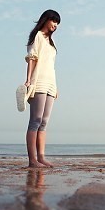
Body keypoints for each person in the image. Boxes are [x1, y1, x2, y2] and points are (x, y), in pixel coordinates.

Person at [18, 9, 61, 168]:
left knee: (44, 122)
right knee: (35, 121)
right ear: (46, 20)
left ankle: (41, 157)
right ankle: (32, 160)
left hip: (50, 83)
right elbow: (32, 59)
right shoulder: (37, 37)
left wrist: (55, 87)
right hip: (39, 82)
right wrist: (28, 80)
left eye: (57, 23)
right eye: (54, 21)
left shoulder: (52, 42)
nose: (55, 25)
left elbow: (52, 66)